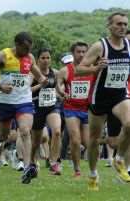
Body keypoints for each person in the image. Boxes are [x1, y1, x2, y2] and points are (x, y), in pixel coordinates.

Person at [0, 32, 47, 184]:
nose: (27, 51)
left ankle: (28, 167)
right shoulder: (3, 55)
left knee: (24, 131)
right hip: (5, 101)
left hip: (24, 101)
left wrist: (43, 80)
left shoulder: (29, 58)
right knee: (4, 135)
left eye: (30, 48)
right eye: (24, 48)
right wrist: (0, 86)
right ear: (17, 45)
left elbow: (37, 74)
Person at [75, 12, 130, 190]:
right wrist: (96, 67)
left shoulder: (129, 45)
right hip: (100, 98)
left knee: (129, 124)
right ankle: (92, 174)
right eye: (119, 24)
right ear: (110, 26)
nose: (123, 27)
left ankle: (120, 159)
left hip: (120, 95)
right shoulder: (100, 46)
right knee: (93, 139)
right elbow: (79, 69)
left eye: (125, 24)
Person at [56, 42, 92, 178]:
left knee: (88, 142)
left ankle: (92, 168)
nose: (82, 54)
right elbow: (58, 85)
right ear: (73, 53)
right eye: (79, 52)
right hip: (71, 108)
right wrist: (62, 92)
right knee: (75, 140)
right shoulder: (65, 70)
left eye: (84, 51)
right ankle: (77, 170)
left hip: (87, 109)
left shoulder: (91, 68)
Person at [29, 48, 63, 176]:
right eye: (43, 58)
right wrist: (39, 85)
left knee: (57, 131)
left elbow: (58, 88)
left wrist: (63, 94)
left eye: (48, 58)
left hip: (52, 107)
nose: (45, 60)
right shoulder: (32, 74)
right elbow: (26, 90)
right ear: (38, 60)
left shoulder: (55, 72)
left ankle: (54, 163)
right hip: (36, 108)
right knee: (36, 141)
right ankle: (32, 161)